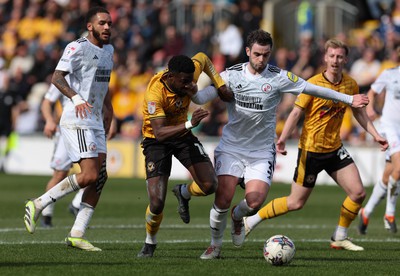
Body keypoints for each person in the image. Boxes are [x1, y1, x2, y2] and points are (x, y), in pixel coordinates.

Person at [191, 31, 375, 260]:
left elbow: (311, 88)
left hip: (261, 151)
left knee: (255, 201)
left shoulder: (278, 77)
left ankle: (238, 218)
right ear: (248, 52)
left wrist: (349, 99)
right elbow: (200, 98)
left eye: (266, 55)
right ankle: (214, 246)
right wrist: (191, 88)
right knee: (223, 199)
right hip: (232, 147)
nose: (261, 60)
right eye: (257, 54)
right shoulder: (229, 76)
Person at [242, 38, 388, 253]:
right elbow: (295, 112)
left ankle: (339, 237)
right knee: (295, 203)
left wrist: (376, 134)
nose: (335, 60)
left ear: (346, 59)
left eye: (339, 56)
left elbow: (359, 113)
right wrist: (282, 138)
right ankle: (251, 221)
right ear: (325, 58)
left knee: (358, 193)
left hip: (334, 149)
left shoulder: (350, 84)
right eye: (331, 56)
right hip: (310, 151)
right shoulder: (313, 84)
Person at [23, 6, 114, 252]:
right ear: (90, 26)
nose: (107, 27)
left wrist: (110, 110)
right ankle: (38, 203)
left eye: (109, 23)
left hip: (95, 118)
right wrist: (76, 98)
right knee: (90, 175)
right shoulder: (77, 47)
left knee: (100, 178)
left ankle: (77, 234)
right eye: (102, 23)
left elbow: (104, 82)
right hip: (77, 117)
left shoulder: (109, 50)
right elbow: (57, 77)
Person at [137, 52, 233, 258]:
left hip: (182, 135)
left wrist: (220, 85)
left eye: (191, 80)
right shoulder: (155, 93)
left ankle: (184, 193)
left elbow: (205, 59)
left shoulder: (188, 73)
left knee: (210, 185)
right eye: (185, 81)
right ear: (171, 77)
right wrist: (190, 123)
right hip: (157, 141)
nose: (190, 85)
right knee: (156, 202)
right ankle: (150, 242)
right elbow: (161, 133)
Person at [358, 56, 400, 234]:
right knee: (399, 169)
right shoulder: (390, 74)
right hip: (390, 127)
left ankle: (366, 212)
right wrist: (370, 108)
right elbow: (372, 91)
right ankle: (389, 214)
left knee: (388, 176)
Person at [40, 83, 83, 227]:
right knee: (60, 174)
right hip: (67, 129)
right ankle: (46, 213)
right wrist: (49, 120)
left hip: (88, 128)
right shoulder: (64, 78)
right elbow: (47, 102)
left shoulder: (92, 74)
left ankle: (77, 204)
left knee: (96, 171)